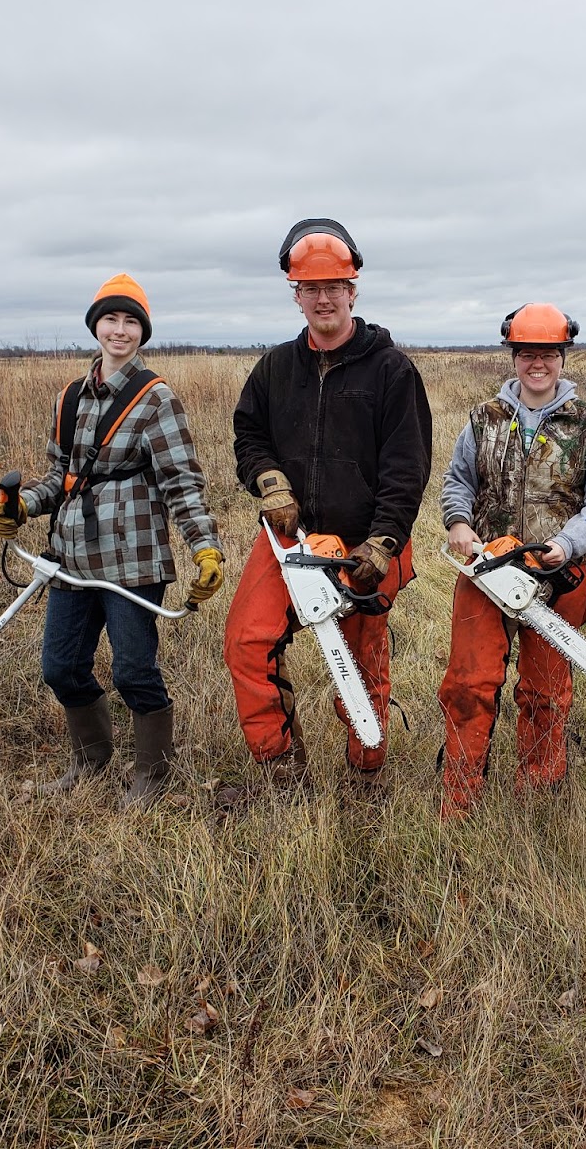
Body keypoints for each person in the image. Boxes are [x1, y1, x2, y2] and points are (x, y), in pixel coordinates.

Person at [0, 273, 225, 808]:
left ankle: (153, 775)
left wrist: (203, 548)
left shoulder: (156, 398)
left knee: (133, 670)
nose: (120, 330)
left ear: (143, 332)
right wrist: (22, 506)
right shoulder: (69, 397)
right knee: (61, 666)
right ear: (95, 325)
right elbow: (61, 477)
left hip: (134, 560)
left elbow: (183, 484)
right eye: (111, 319)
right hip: (71, 558)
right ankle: (90, 763)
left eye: (131, 321)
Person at [225, 219, 432, 788]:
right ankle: (280, 768)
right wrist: (270, 482)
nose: (322, 298)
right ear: (296, 294)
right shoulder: (274, 368)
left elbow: (407, 469)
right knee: (247, 642)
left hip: (364, 541)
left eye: (333, 287)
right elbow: (249, 436)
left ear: (353, 289)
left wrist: (384, 541)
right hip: (290, 539)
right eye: (310, 288)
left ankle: (367, 771)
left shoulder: (391, 371)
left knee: (361, 665)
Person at [437, 304, 586, 816]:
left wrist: (568, 543)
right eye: (526, 354)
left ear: (562, 357)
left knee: (545, 690)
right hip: (486, 569)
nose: (537, 363)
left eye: (547, 354)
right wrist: (458, 522)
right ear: (513, 356)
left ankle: (537, 795)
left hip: (559, 575)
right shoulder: (483, 419)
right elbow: (458, 481)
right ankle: (460, 794)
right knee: (469, 683)